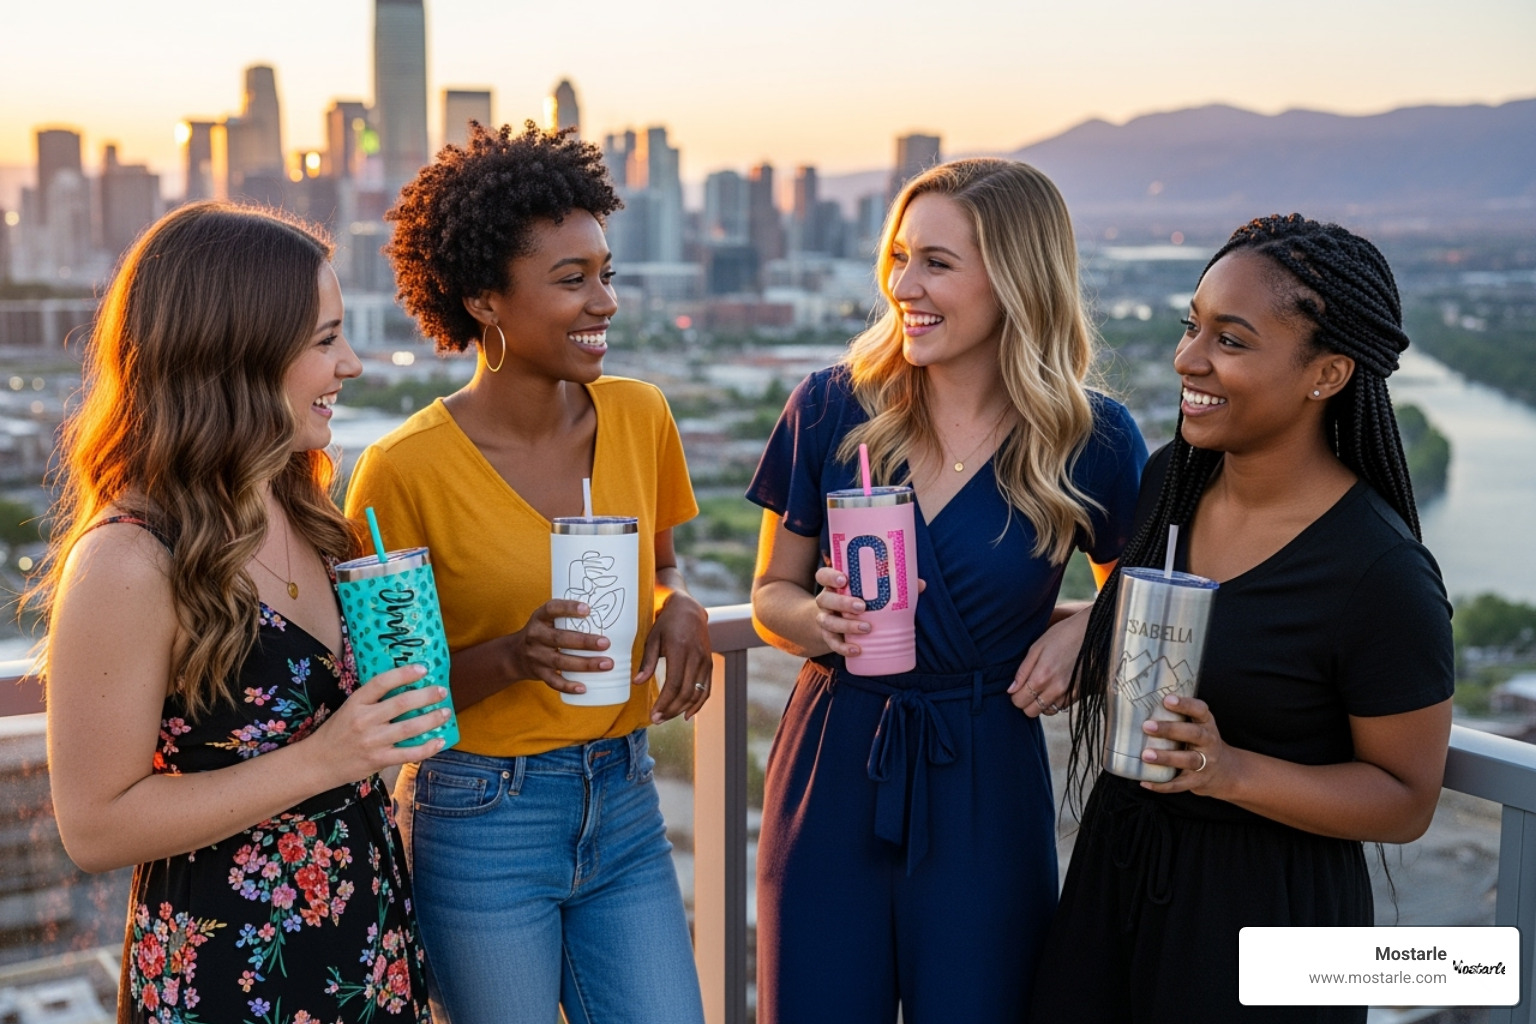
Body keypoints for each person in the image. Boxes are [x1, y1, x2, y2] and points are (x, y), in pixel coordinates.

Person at [747, 158, 1148, 1022]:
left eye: (936, 262)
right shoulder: (829, 407)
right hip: (834, 759)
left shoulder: (1094, 438)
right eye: (899, 256)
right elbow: (771, 595)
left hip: (987, 776)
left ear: (1015, 278)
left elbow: (1145, 608)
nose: (903, 286)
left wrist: (1091, 626)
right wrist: (815, 621)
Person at [1031, 213, 1455, 1024]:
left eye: (1231, 340)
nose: (1189, 358)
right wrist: (1092, 619)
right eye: (1192, 327)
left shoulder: (1381, 573)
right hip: (1117, 875)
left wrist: (1230, 772)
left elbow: (1406, 799)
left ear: (1325, 374)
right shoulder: (1171, 483)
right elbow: (1198, 631)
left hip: (1269, 917)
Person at [35, 202, 442, 1023]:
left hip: (367, 950)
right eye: (326, 340)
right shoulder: (128, 560)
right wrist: (327, 759)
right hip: (232, 975)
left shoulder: (312, 510)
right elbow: (94, 828)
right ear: (237, 354)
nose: (353, 364)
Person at [344, 122, 710, 1024]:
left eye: (607, 274)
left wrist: (681, 606)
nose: (606, 303)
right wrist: (516, 656)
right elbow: (392, 698)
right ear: (484, 301)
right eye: (571, 280)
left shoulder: (640, 416)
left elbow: (658, 568)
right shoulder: (402, 471)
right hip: (481, 820)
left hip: (624, 802)